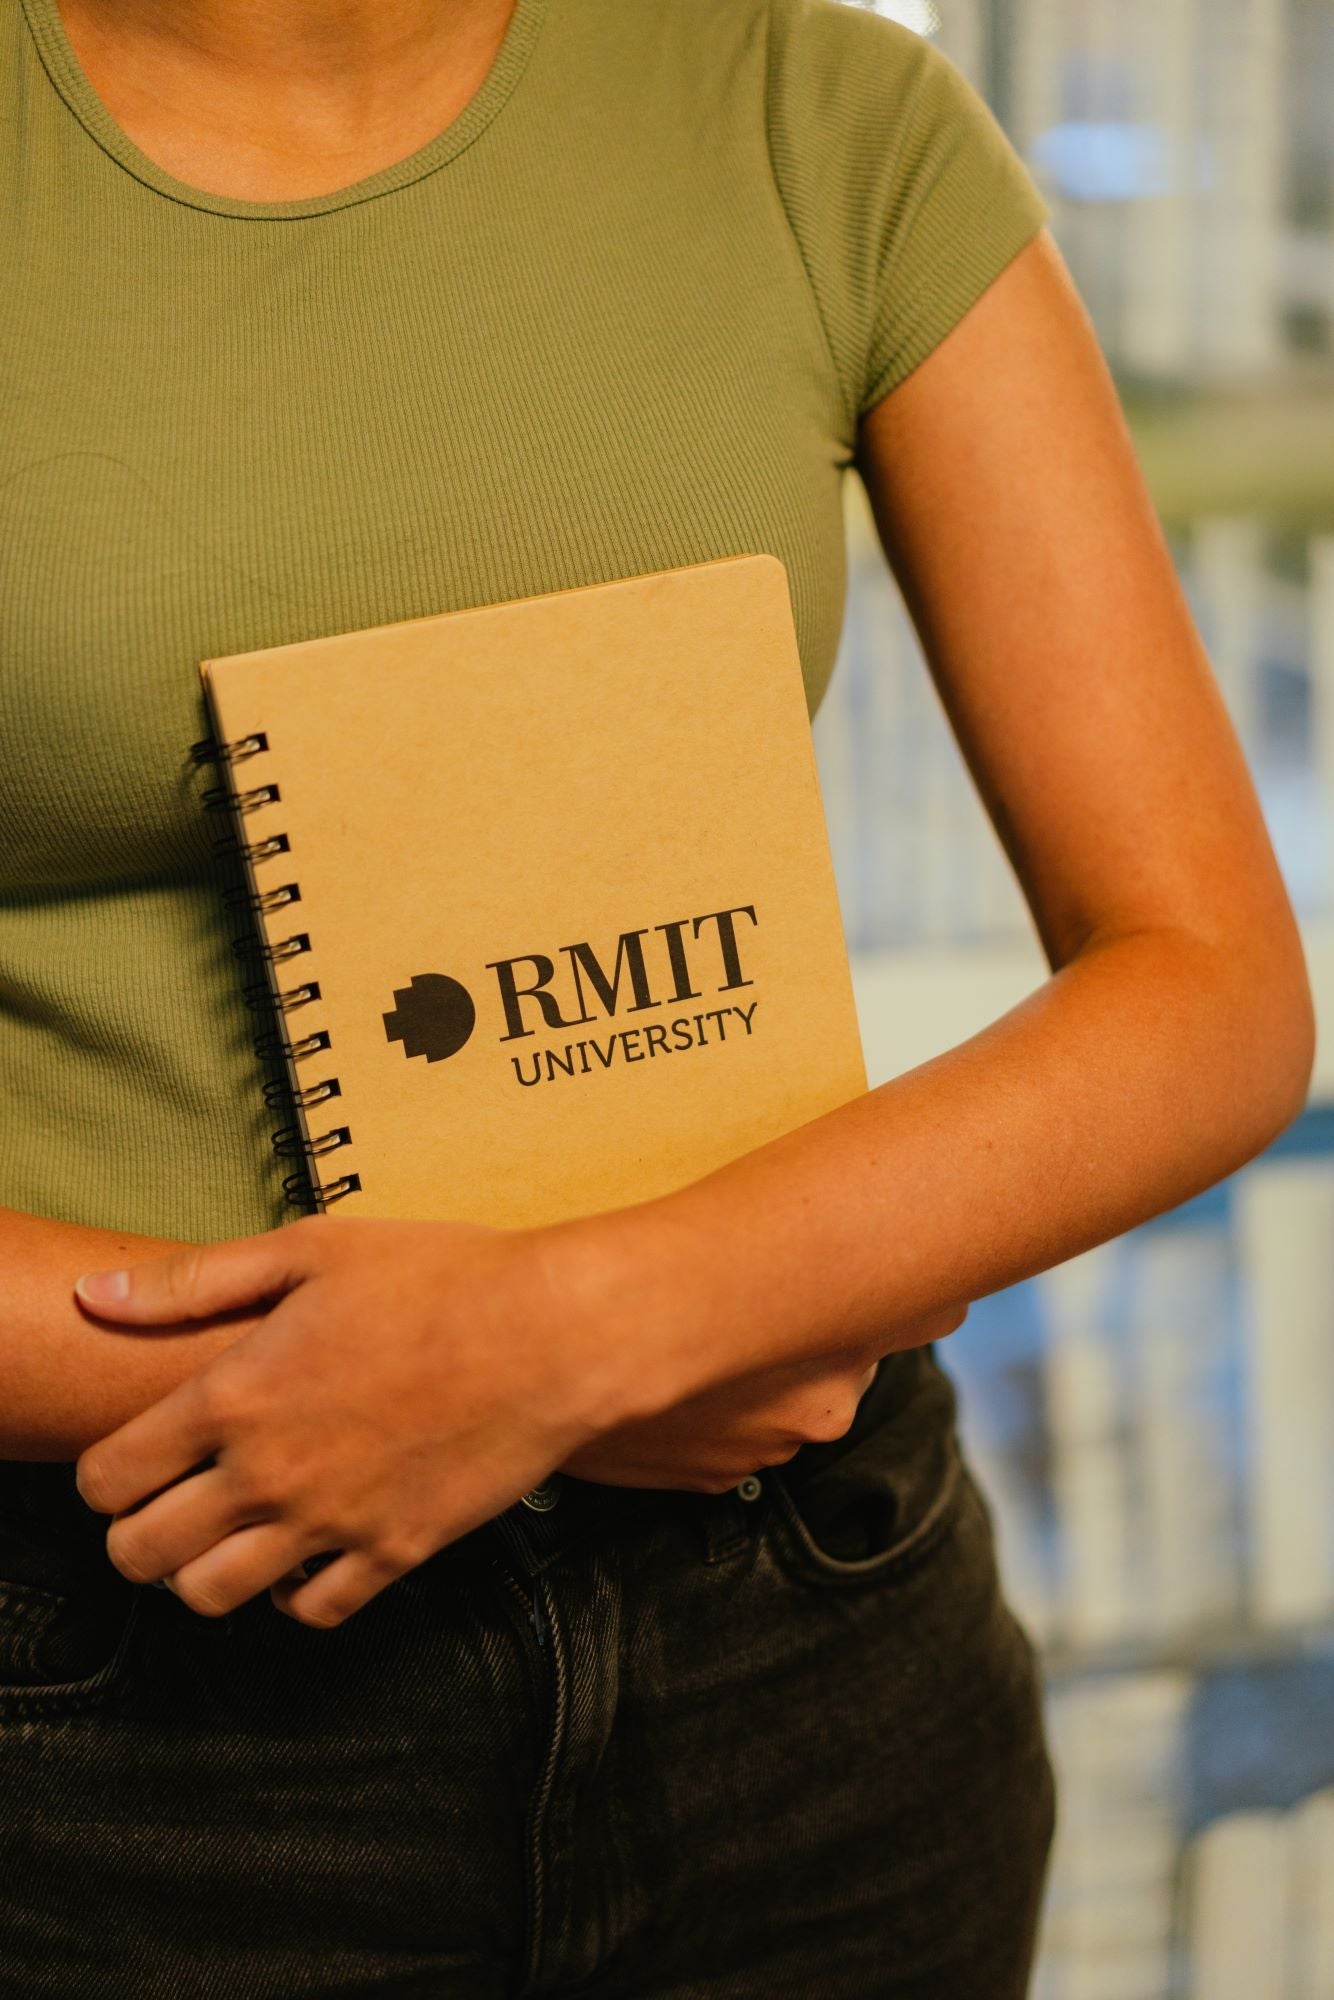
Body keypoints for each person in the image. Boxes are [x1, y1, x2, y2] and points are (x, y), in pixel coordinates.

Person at [0, 0, 1314, 1993]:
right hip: (113, 1702)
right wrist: (416, 1382)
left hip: (802, 1629)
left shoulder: (812, 109)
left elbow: (1206, 988)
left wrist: (573, 1336)